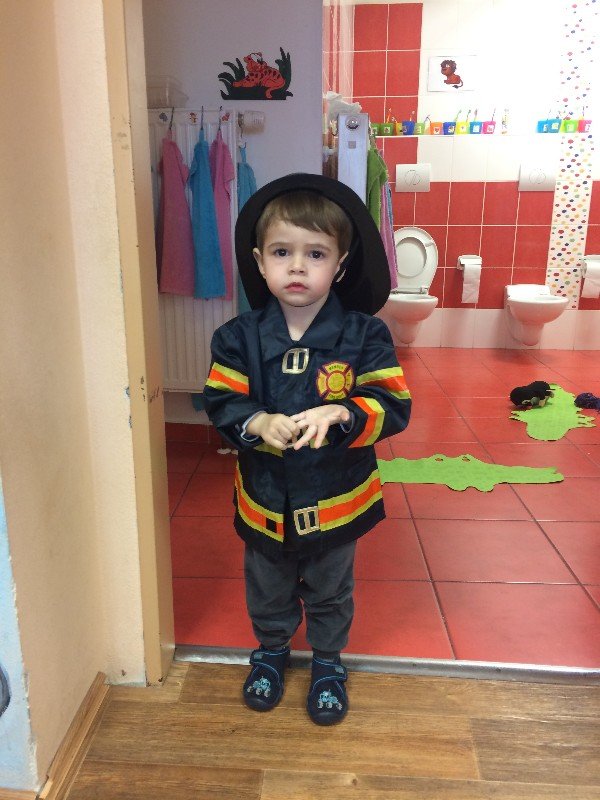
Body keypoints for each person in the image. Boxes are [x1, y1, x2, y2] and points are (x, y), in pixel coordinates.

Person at [203, 173, 411, 725]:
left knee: (331, 587)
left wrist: (343, 412)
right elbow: (222, 400)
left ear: (339, 265)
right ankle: (271, 650)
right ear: (259, 261)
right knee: (266, 584)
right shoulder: (237, 338)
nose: (297, 267)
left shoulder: (366, 336)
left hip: (336, 496)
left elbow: (393, 404)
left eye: (315, 253)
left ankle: (327, 661)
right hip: (266, 498)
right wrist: (255, 420)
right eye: (282, 252)